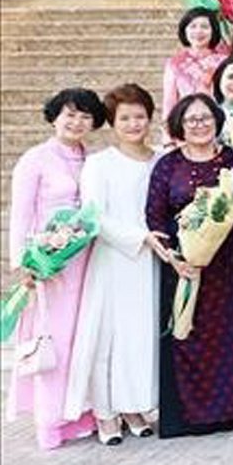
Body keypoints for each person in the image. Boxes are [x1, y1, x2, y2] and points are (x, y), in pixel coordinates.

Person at [7, 89, 107, 449]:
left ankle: (83, 413)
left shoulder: (92, 159)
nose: (77, 122)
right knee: (57, 341)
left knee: (85, 339)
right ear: (54, 117)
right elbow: (20, 214)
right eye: (70, 114)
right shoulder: (35, 159)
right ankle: (50, 421)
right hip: (52, 266)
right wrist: (24, 263)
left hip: (90, 261)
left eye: (85, 116)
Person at [65, 85, 165, 444]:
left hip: (153, 260)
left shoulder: (160, 159)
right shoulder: (99, 163)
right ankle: (105, 413)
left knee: (139, 338)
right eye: (125, 117)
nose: (134, 123)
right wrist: (140, 238)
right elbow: (95, 217)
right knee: (108, 336)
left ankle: (132, 406)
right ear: (112, 122)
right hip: (115, 259)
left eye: (139, 116)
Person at [146, 93, 233, 437]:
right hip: (184, 267)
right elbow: (155, 218)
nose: (200, 125)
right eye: (191, 120)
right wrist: (173, 256)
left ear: (217, 120)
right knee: (186, 336)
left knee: (229, 338)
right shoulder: (167, 165)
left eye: (205, 118)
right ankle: (188, 417)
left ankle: (229, 413)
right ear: (179, 126)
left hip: (230, 267)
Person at [163, 8, 228, 120]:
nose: (198, 31)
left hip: (218, 121)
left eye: (205, 27)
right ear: (185, 30)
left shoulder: (224, 61)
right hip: (187, 122)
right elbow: (169, 101)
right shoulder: (175, 63)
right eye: (193, 26)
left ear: (213, 30)